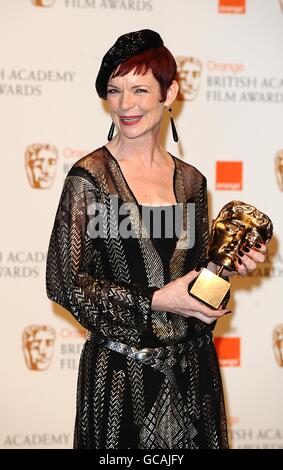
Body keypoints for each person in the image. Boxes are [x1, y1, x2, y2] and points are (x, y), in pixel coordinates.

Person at [46, 29, 267, 449]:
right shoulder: (90, 179)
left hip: (192, 378)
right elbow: (64, 282)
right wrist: (155, 300)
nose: (126, 105)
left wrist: (228, 268)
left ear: (170, 93)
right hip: (118, 384)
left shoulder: (191, 183)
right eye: (115, 90)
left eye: (141, 89)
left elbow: (197, 282)